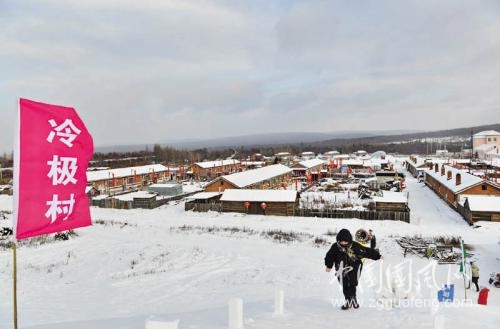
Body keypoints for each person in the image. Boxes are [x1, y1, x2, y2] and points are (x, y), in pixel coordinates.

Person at [325, 228, 383, 310]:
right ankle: (348, 300)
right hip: (341, 269)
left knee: (352, 284)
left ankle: (353, 299)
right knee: (345, 285)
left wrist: (378, 256)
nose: (344, 243)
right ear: (338, 240)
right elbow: (330, 256)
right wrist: (329, 266)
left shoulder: (354, 245)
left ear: (349, 240)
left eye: (346, 241)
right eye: (342, 241)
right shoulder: (335, 247)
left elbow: (365, 251)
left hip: (354, 268)